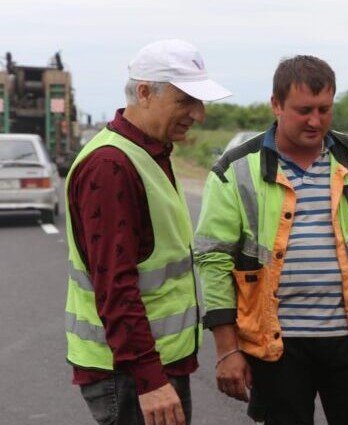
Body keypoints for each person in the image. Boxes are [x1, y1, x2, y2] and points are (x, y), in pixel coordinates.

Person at [194, 55, 348, 425]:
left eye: (324, 109)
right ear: (276, 104)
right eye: (304, 110)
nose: (316, 121)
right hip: (276, 347)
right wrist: (226, 350)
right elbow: (213, 260)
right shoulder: (236, 171)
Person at [64, 39, 231, 425]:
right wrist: (149, 379)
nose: (199, 114)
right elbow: (115, 284)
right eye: (187, 100)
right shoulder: (111, 166)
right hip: (131, 374)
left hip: (148, 365)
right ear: (144, 93)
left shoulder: (150, 151)